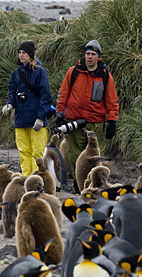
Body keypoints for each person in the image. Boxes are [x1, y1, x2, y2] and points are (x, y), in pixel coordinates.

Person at [55, 40, 119, 184]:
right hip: (75, 121)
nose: (89, 57)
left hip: (95, 122)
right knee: (75, 156)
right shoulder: (74, 72)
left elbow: (112, 100)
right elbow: (63, 93)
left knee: (95, 157)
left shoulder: (104, 76)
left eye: (93, 54)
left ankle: (95, 183)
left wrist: (112, 121)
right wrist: (60, 115)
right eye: (87, 53)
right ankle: (80, 185)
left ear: (98, 57)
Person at [2, 41, 53, 177]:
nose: (21, 55)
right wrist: (9, 104)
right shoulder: (16, 73)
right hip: (21, 119)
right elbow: (12, 92)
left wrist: (41, 118)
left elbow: (46, 97)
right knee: (24, 151)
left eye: (24, 53)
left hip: (36, 120)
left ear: (30, 55)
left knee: (37, 152)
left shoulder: (40, 72)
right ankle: (26, 178)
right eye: (19, 52)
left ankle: (37, 179)